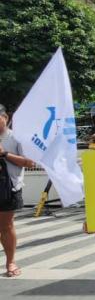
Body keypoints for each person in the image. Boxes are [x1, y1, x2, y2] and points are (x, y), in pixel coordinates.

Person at [0, 104, 35, 278]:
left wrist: (5, 154)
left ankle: (10, 262)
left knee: (6, 226)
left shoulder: (16, 138)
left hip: (9, 188)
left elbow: (30, 163)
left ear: (5, 117)